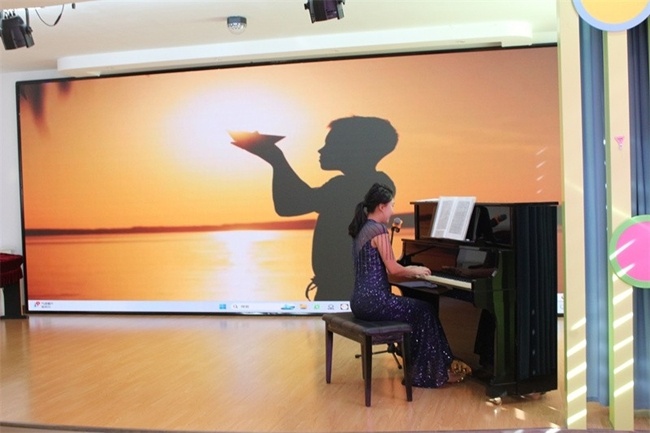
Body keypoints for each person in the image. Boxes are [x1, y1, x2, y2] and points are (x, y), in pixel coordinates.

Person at [230, 116, 397, 301]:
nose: (321, 150)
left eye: (330, 144)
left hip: (342, 292)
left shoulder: (349, 186)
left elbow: (290, 204)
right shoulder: (377, 183)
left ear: (354, 150)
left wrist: (276, 159)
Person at [348, 183, 471, 387]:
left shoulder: (362, 228)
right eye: (392, 205)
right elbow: (393, 269)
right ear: (381, 207)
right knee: (425, 310)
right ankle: (429, 373)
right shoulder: (378, 229)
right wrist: (415, 270)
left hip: (359, 301)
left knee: (418, 310)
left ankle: (438, 367)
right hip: (375, 301)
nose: (392, 211)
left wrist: (411, 270)